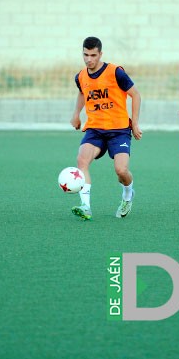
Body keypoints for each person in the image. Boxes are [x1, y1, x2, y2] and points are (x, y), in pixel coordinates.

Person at [70, 36, 142, 221]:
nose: (89, 59)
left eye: (93, 55)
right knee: (82, 161)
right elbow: (82, 92)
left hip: (119, 130)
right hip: (95, 129)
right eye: (86, 55)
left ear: (100, 54)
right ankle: (86, 207)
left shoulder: (115, 72)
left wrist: (134, 123)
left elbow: (135, 95)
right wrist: (76, 114)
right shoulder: (80, 76)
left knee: (121, 171)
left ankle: (128, 194)